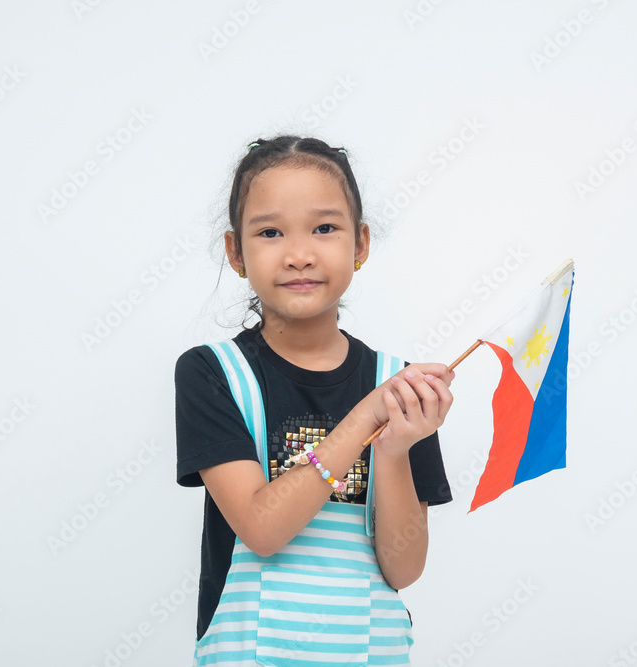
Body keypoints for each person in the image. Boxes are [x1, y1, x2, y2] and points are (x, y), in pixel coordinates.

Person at [174, 135, 456, 666]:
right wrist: (366, 417)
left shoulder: (399, 386)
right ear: (236, 252)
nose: (299, 255)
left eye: (325, 228)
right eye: (270, 232)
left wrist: (393, 449)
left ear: (360, 244)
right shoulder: (213, 374)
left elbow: (403, 569)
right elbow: (262, 530)